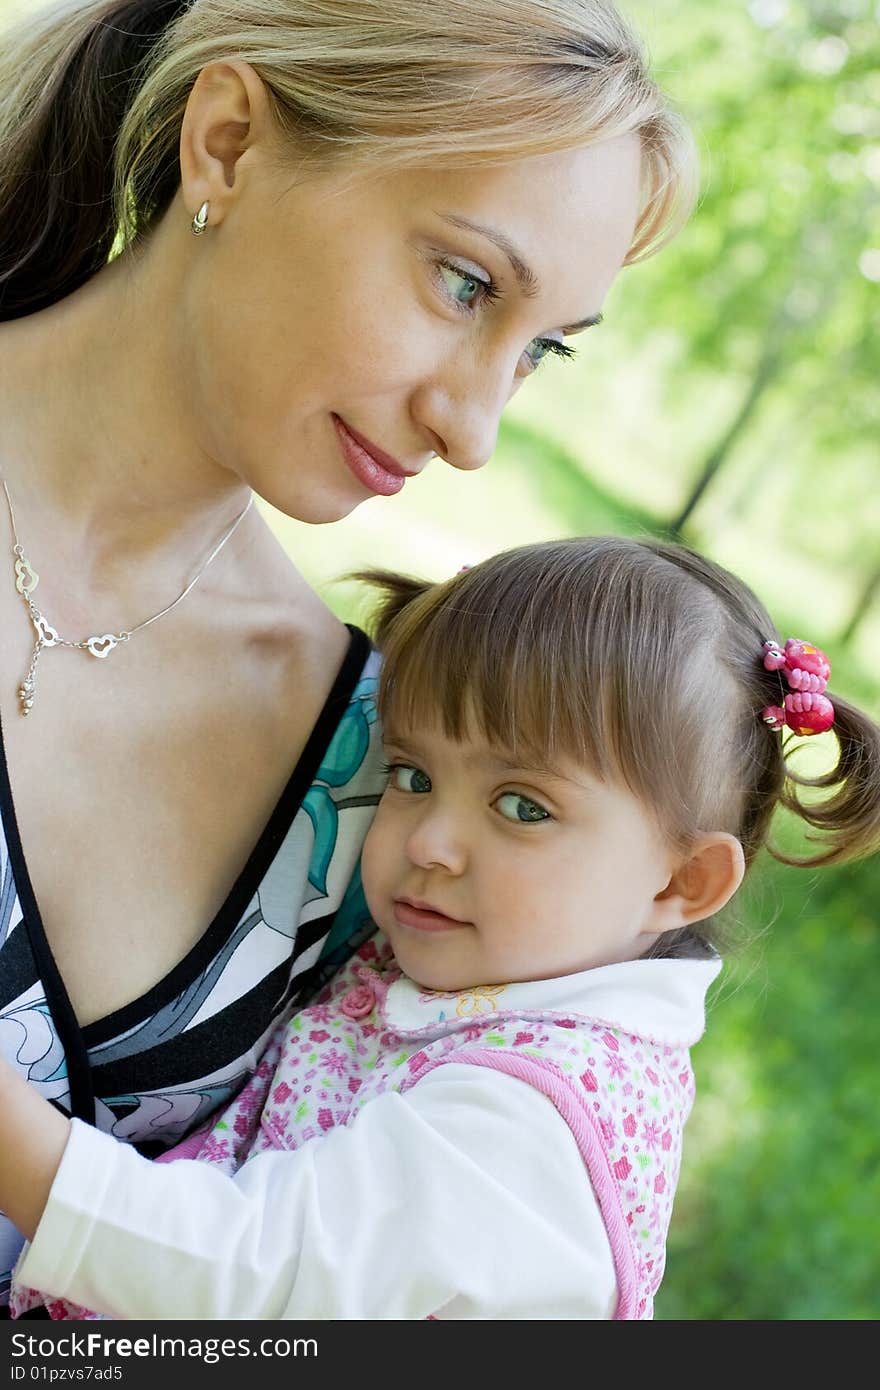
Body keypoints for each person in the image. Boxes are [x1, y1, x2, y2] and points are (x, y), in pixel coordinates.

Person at [0, 0, 699, 1314]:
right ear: (226, 143)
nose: (475, 425)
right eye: (464, 283)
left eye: (538, 350)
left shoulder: (385, 774)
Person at [3, 536, 880, 1320]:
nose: (427, 841)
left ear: (682, 881)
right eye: (415, 775)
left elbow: (255, 1276)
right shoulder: (480, 982)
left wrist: (23, 1144)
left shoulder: (532, 1126)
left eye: (521, 805)